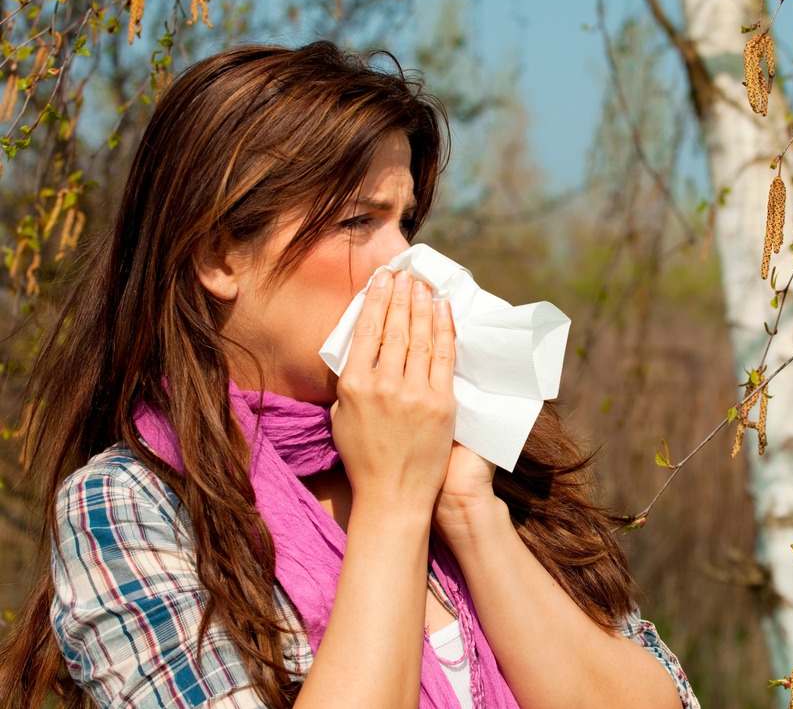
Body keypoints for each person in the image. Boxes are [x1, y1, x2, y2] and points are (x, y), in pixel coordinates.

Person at [0, 42, 698, 708]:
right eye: (359, 221)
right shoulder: (134, 506)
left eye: (406, 224)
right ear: (220, 256)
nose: (401, 258)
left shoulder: (482, 457)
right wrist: (394, 501)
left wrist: (468, 510)